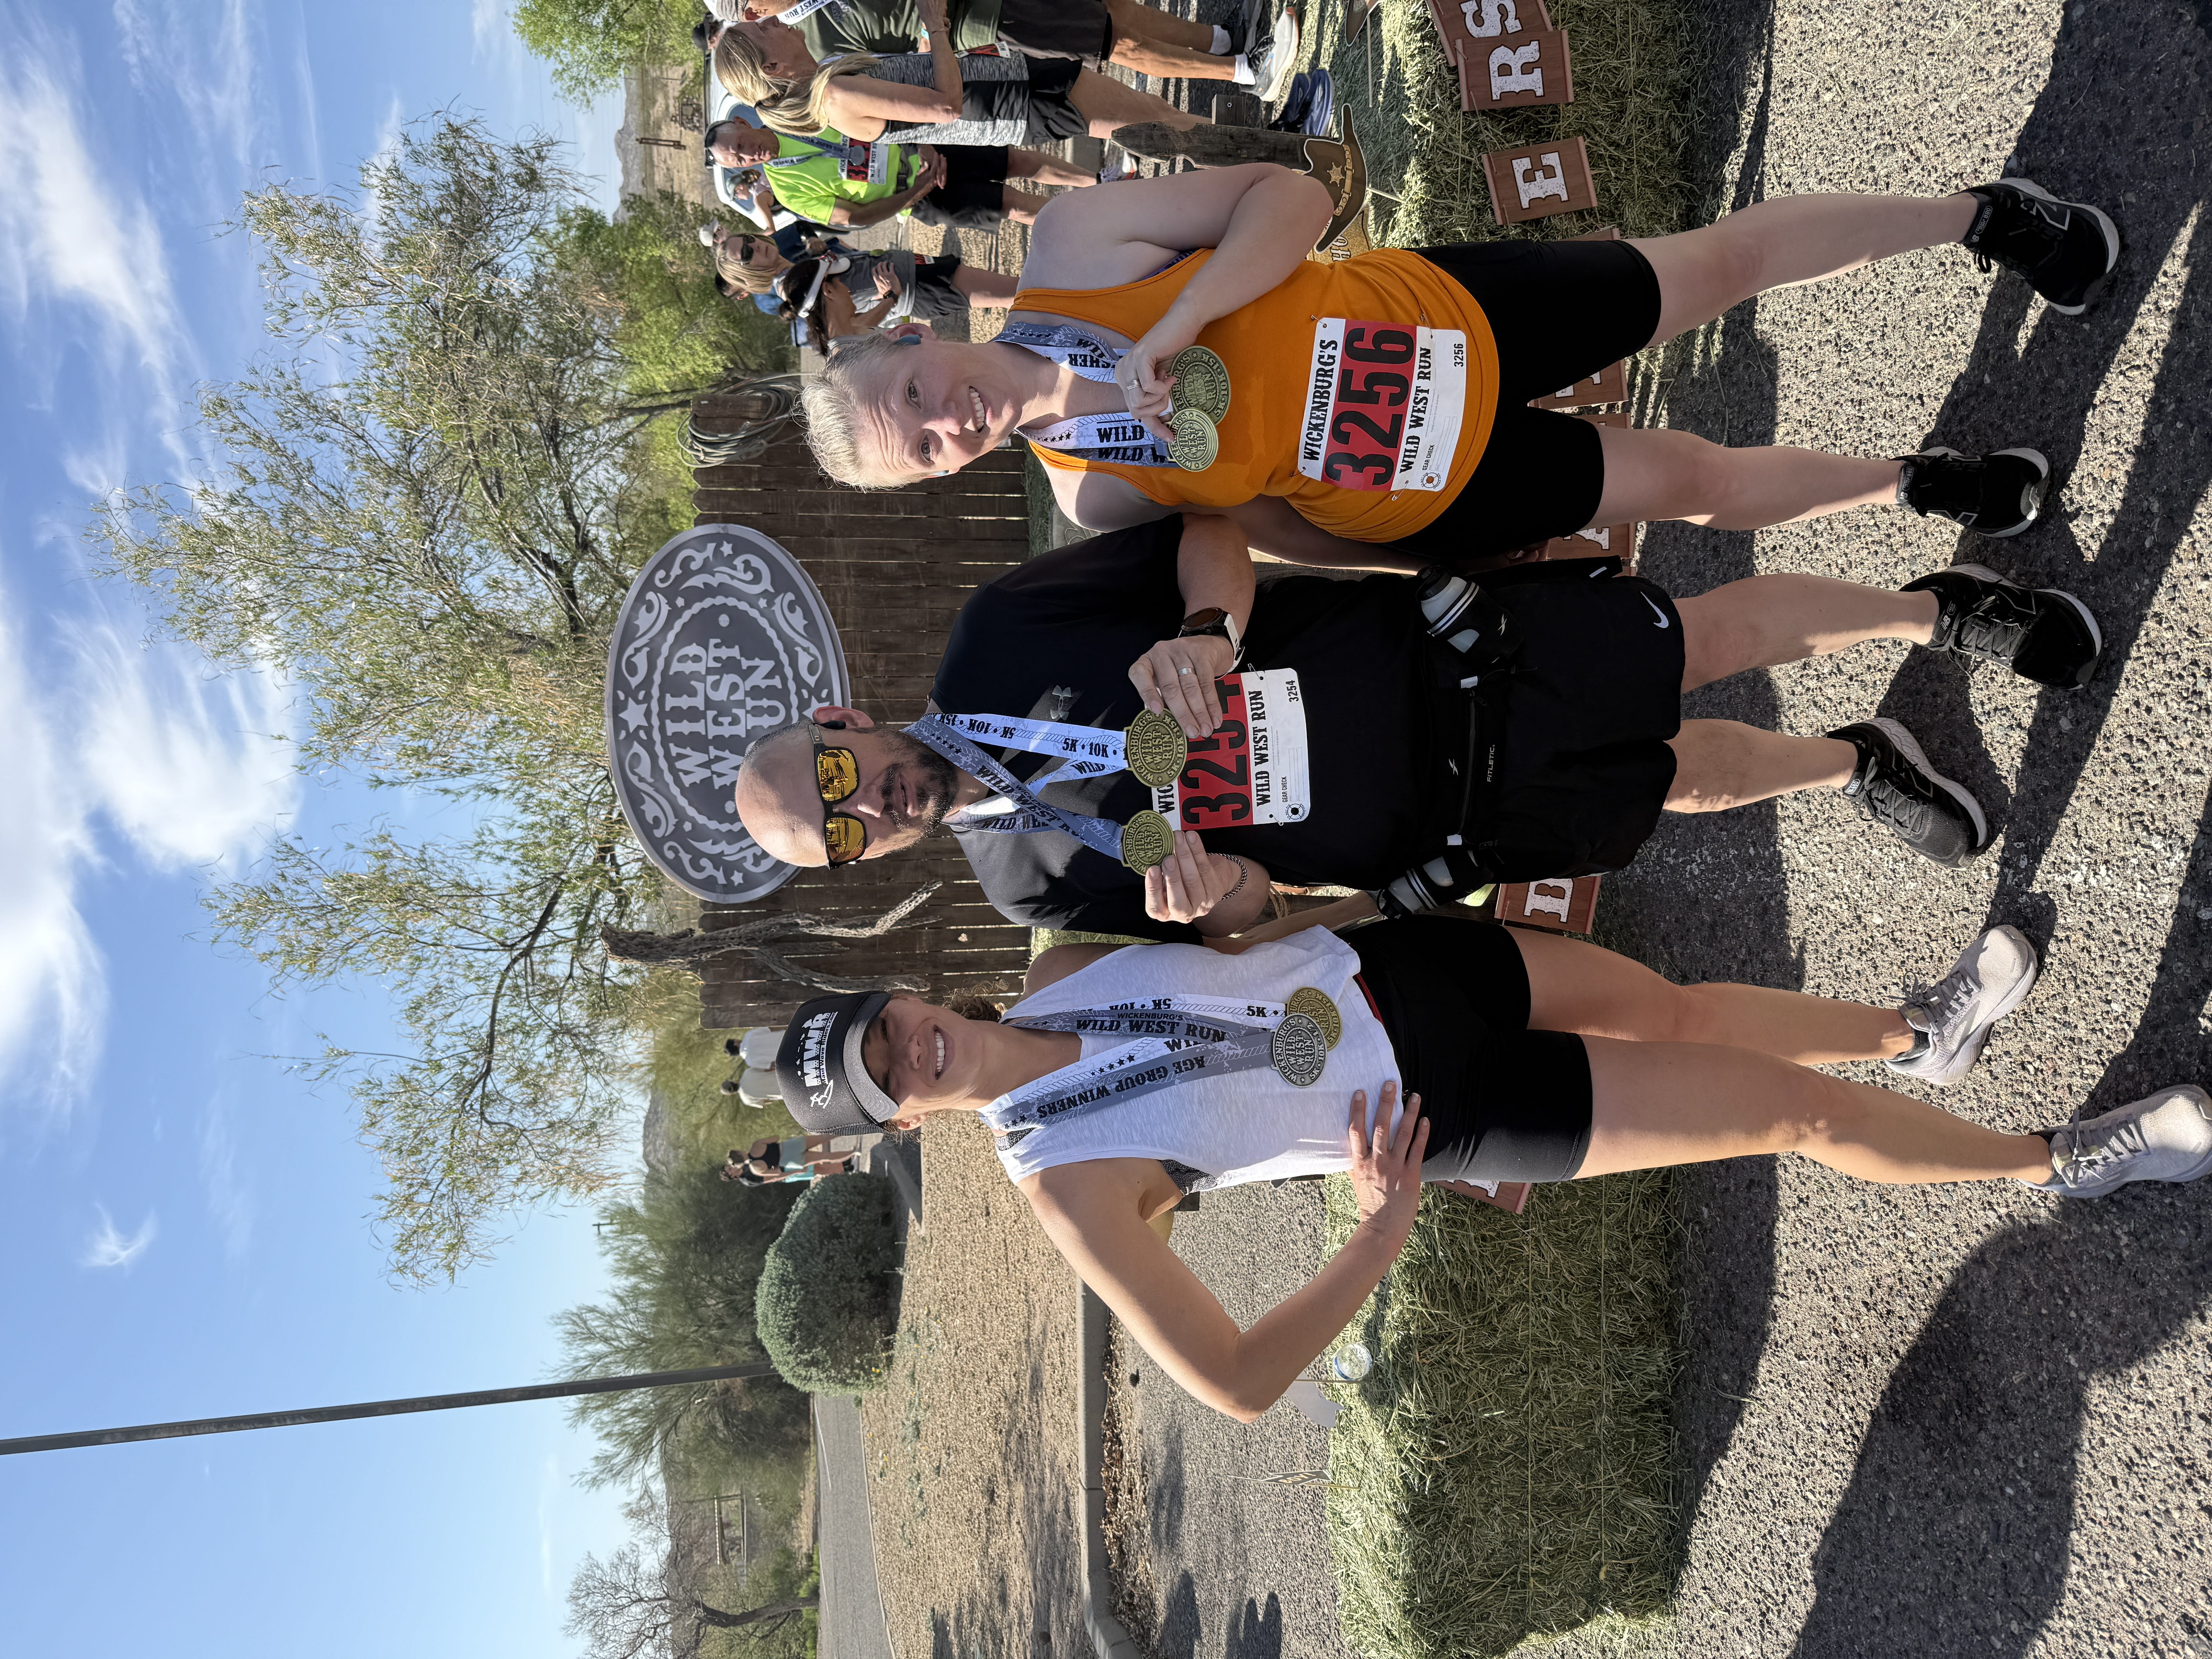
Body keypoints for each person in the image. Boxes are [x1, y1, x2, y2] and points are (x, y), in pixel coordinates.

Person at [772, 910, 2211, 1419]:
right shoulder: (1066, 1186)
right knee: (1787, 1117)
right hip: (1441, 1105)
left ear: (903, 994)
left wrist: (1261, 905)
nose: (910, 1051)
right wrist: (1378, 1232)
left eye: (883, 1026)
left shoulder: (1055, 966)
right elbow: (1237, 1380)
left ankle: (1921, 1030)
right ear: (896, 1126)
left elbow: (1237, 946)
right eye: (884, 1080)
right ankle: (2061, 1160)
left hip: (1405, 965)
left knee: (1683, 1005)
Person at [731, 514, 2101, 939]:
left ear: (844, 716)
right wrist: (1218, 892)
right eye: (842, 835)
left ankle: (1937, 612)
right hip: (1433, 820)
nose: (870, 807)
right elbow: (1249, 914)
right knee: (1670, 786)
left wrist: (1205, 632)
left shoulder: (995, 635)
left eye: (836, 774)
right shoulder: (1027, 884)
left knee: (1703, 639)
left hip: (1439, 660)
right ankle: (1855, 761)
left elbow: (1210, 535)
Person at [795, 161, 2123, 570]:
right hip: (1427, 487)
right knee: (1689, 482)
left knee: (1708, 271)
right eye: (921, 450)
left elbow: (1292, 197)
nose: (940, 422)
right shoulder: (1091, 496)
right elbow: (1262, 525)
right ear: (940, 476)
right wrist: (1411, 559)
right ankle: (1914, 484)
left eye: (910, 395)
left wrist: (1180, 319)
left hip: (1445, 319)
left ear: (911, 341)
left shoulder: (1075, 242)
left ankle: (1980, 219)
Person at [712, 0, 1207, 152]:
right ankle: (1261, 153)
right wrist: (935, 25)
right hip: (1016, 100)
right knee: (1155, 120)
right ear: (772, 69)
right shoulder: (835, 95)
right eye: (764, 31)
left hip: (1013, 89)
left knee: (1155, 122)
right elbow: (945, 108)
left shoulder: (828, 84)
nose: (774, 21)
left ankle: (1253, 149)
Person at [713, 0, 1303, 100]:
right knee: (1111, 42)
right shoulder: (819, 44)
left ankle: (1224, 41)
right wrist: (933, 25)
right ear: (751, 13)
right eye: (760, 32)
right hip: (989, 19)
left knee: (1112, 8)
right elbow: (912, 54)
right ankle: (1248, 73)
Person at [706, 112, 1087, 232]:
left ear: (743, 122)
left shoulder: (797, 117)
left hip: (925, 146)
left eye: (739, 145)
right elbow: (856, 217)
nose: (745, 156)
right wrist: (915, 194)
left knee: (1014, 161)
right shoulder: (788, 192)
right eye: (737, 161)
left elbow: (869, 112)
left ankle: (1099, 184)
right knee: (1012, 206)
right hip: (914, 197)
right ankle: (1089, 222)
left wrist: (921, 140)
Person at [711, 222, 1017, 334]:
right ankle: (1063, 303)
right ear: (747, 276)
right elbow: (851, 328)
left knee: (1014, 289)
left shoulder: (794, 270)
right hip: (918, 289)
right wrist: (890, 299)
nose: (755, 247)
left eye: (749, 240)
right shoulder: (796, 291)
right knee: (1016, 293)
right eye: (746, 256)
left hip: (915, 270)